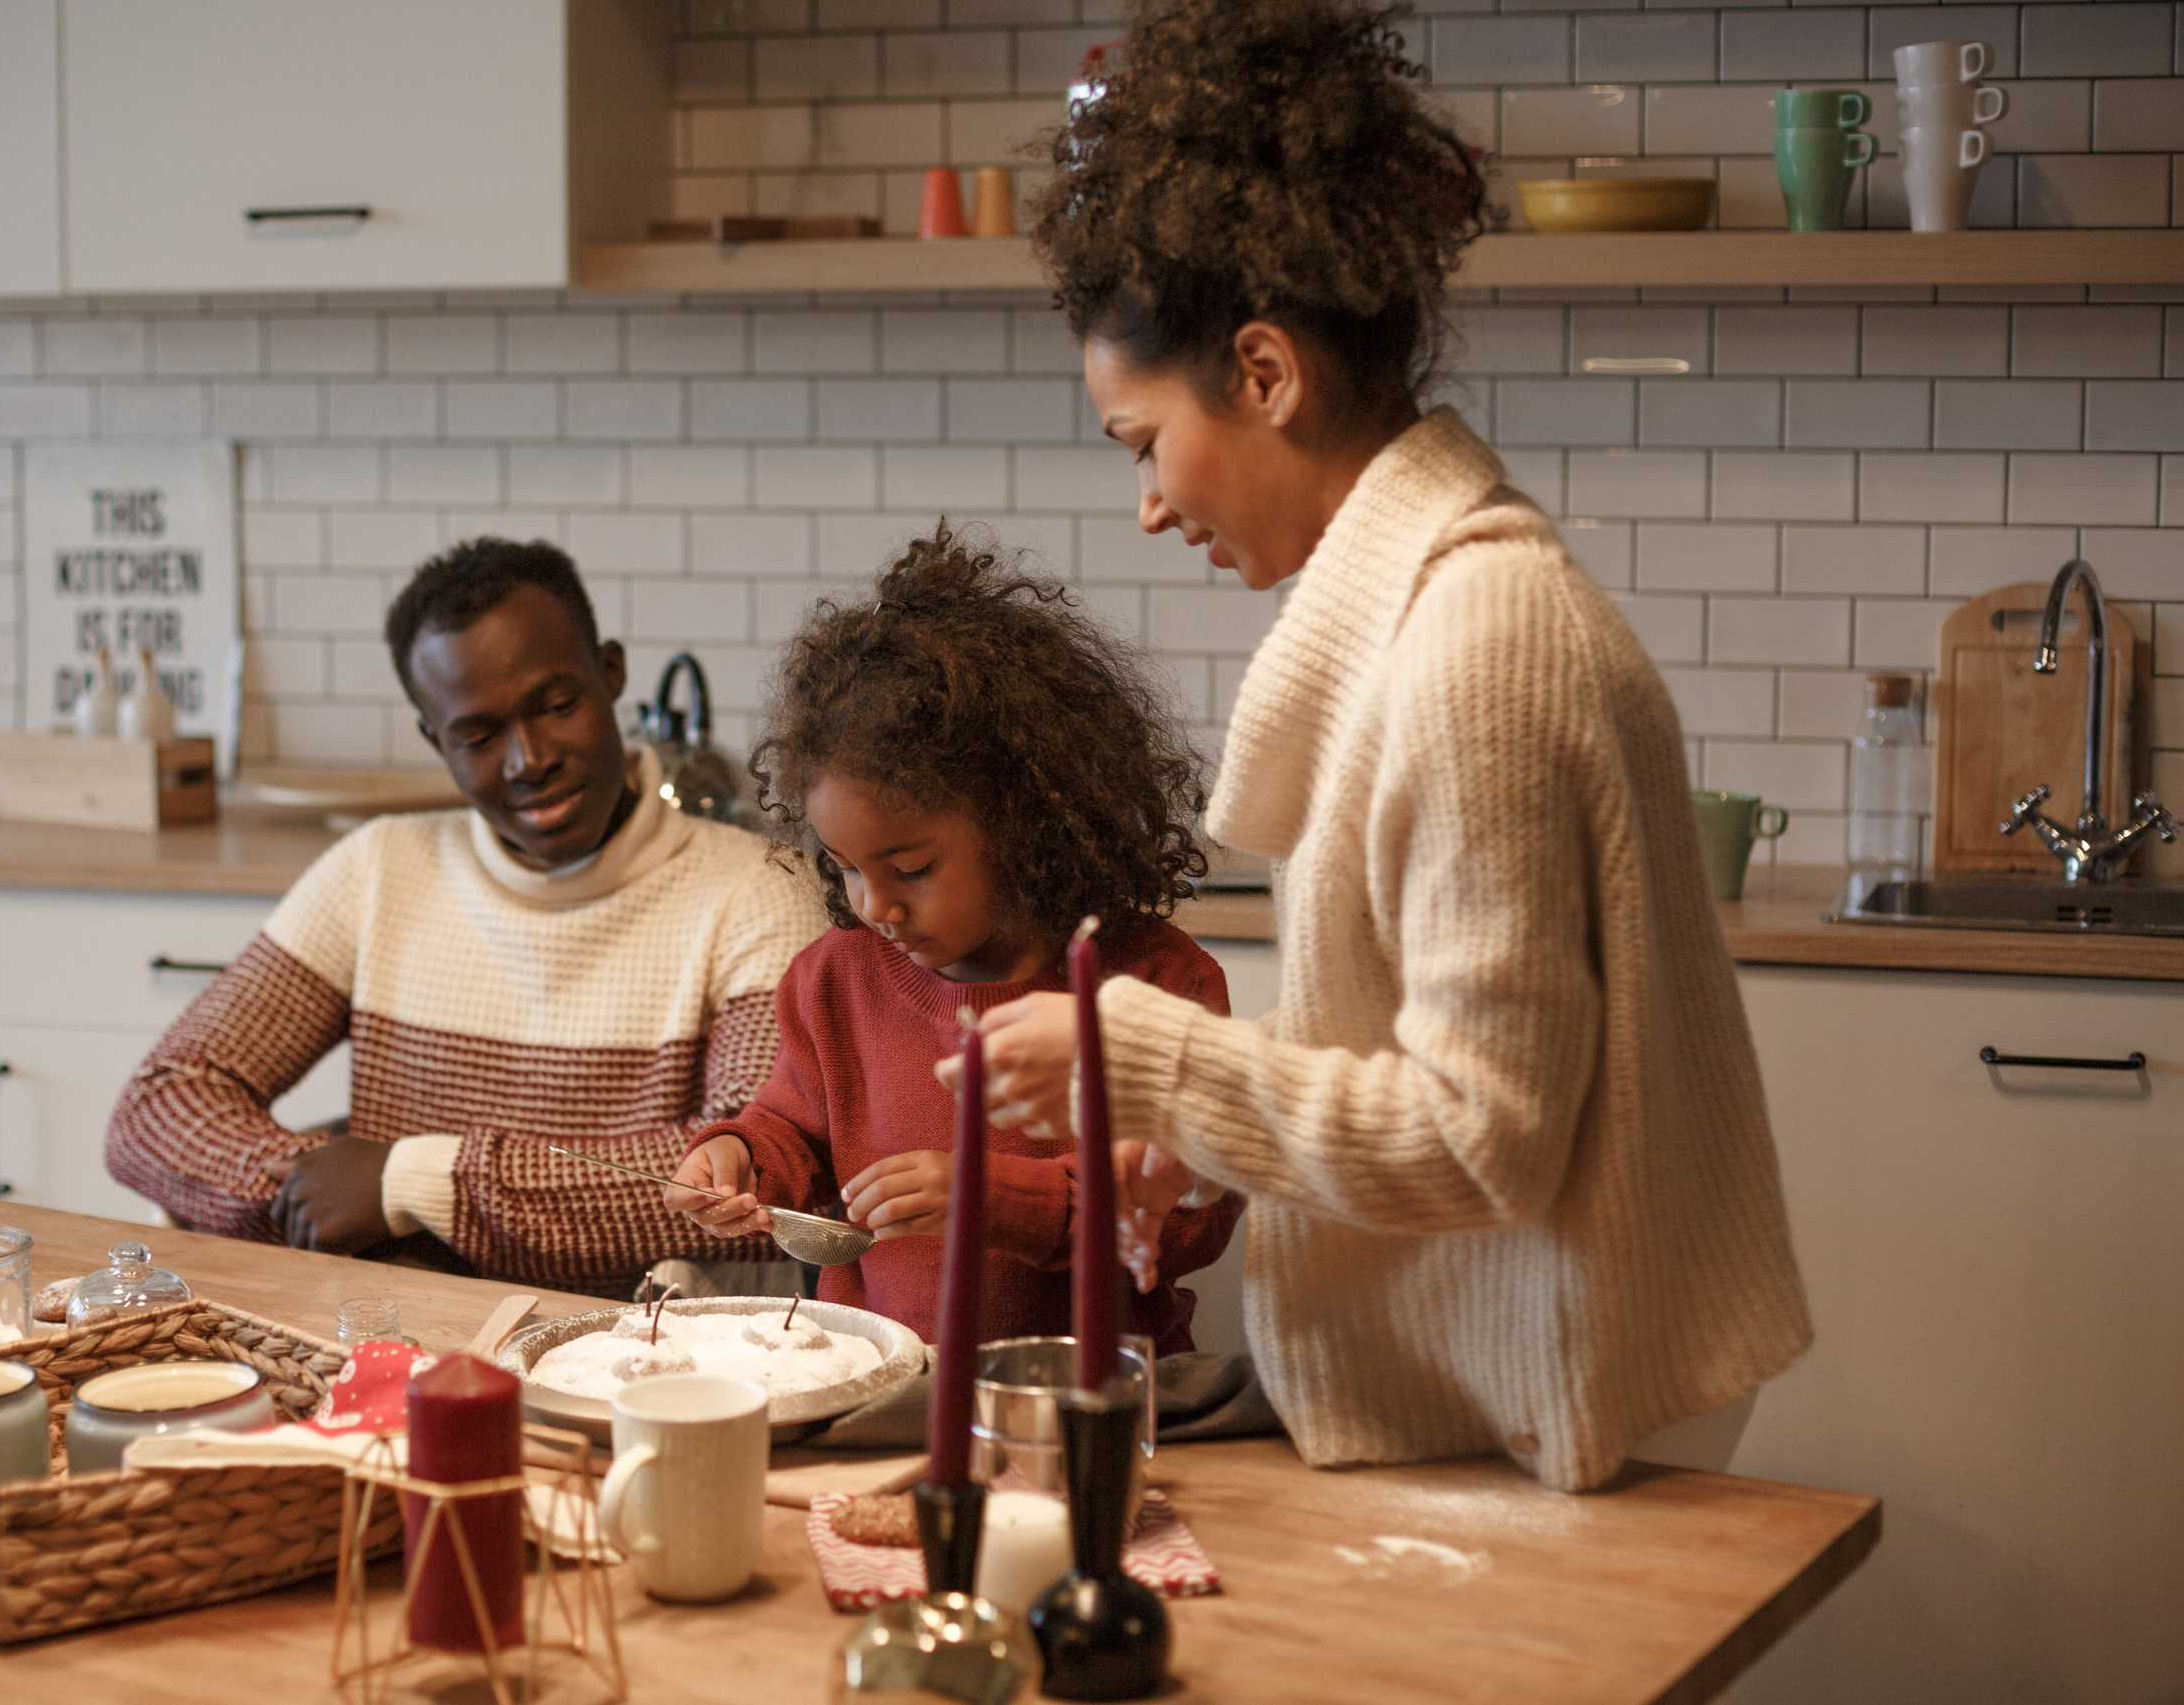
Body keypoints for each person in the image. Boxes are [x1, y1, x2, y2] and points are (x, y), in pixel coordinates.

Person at [948, 0, 1812, 1492]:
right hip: (1534, 1351)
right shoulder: (1442, 606)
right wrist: (1213, 1124)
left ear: (1266, 373)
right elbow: (1430, 1040)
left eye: (1143, 441)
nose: (1149, 503)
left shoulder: (1477, 647)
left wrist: (1159, 1063)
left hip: (1578, 1371)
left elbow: (1487, 1138)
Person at [104, 538, 825, 1295]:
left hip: (639, 1363)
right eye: (477, 737)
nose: (527, 759)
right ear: (432, 737)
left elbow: (748, 1180)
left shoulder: (758, 889)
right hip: (402, 1338)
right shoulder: (377, 869)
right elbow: (156, 1107)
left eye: (556, 704)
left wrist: (410, 1186)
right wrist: (316, 1188)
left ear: (610, 672)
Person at [665, 527, 1243, 1352]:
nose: (874, 906)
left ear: (1019, 821)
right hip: (881, 1389)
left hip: (1097, 1408)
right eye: (847, 867)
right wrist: (738, 1157)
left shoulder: (1153, 984)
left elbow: (1194, 1218)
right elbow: (790, 1130)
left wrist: (995, 1199)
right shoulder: (833, 982)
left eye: (911, 867)